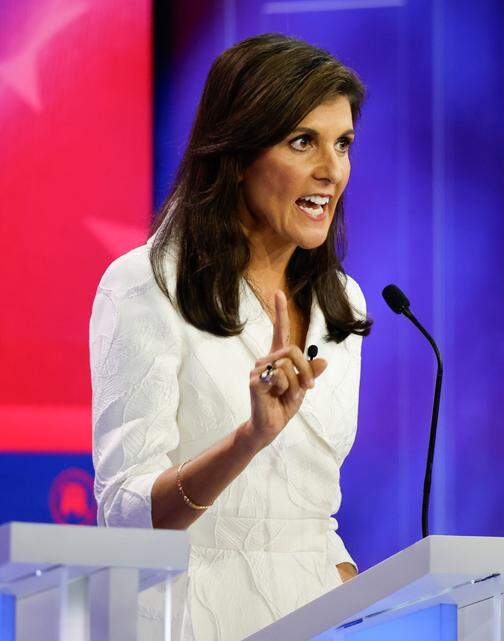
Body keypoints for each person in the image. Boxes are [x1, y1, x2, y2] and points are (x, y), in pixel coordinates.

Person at [90, 34, 371, 641]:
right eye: (303, 142)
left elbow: (310, 510)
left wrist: (364, 604)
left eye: (343, 143)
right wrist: (248, 439)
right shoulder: (146, 284)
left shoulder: (341, 303)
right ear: (239, 153)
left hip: (315, 619)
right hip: (187, 616)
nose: (332, 169)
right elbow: (126, 517)